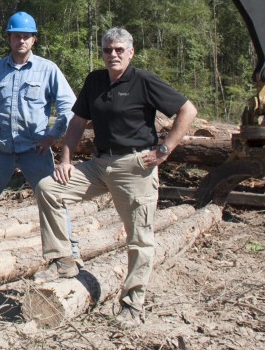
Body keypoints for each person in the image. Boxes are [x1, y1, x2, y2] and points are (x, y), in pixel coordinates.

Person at [35, 27, 197, 326]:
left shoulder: (144, 81)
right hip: (99, 163)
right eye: (108, 49)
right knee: (49, 188)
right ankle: (63, 261)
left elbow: (188, 110)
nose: (113, 55)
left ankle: (133, 303)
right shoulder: (95, 80)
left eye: (119, 49)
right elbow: (77, 122)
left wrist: (165, 148)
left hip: (135, 165)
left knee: (138, 237)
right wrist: (66, 159)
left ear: (131, 52)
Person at [0, 11, 78, 259]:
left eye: (26, 36)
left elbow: (69, 108)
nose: (21, 41)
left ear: (34, 39)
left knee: (53, 198)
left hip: (36, 150)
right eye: (16, 36)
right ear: (8, 38)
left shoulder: (47, 70)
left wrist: (53, 136)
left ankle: (68, 254)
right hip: (0, 150)